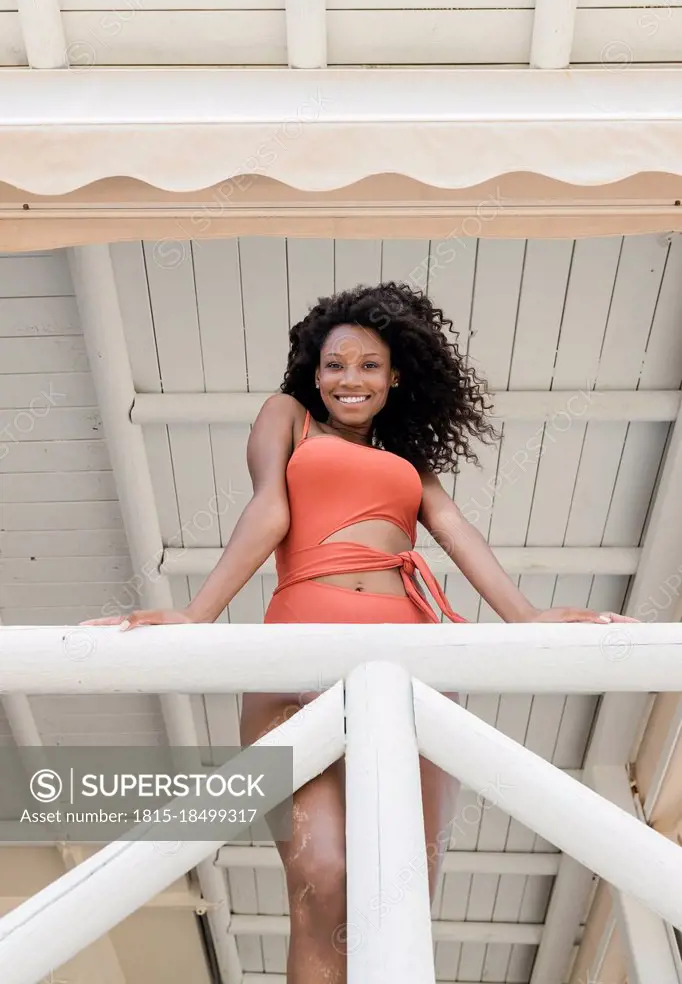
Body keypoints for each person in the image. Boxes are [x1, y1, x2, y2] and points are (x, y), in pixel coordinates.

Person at [82, 281, 637, 983]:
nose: (351, 378)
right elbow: (268, 512)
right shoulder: (288, 418)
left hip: (405, 669)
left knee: (394, 886)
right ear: (314, 374)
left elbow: (456, 532)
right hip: (296, 662)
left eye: (369, 365)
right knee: (320, 875)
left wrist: (526, 619)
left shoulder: (408, 463)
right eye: (336, 364)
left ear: (395, 375)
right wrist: (196, 615)